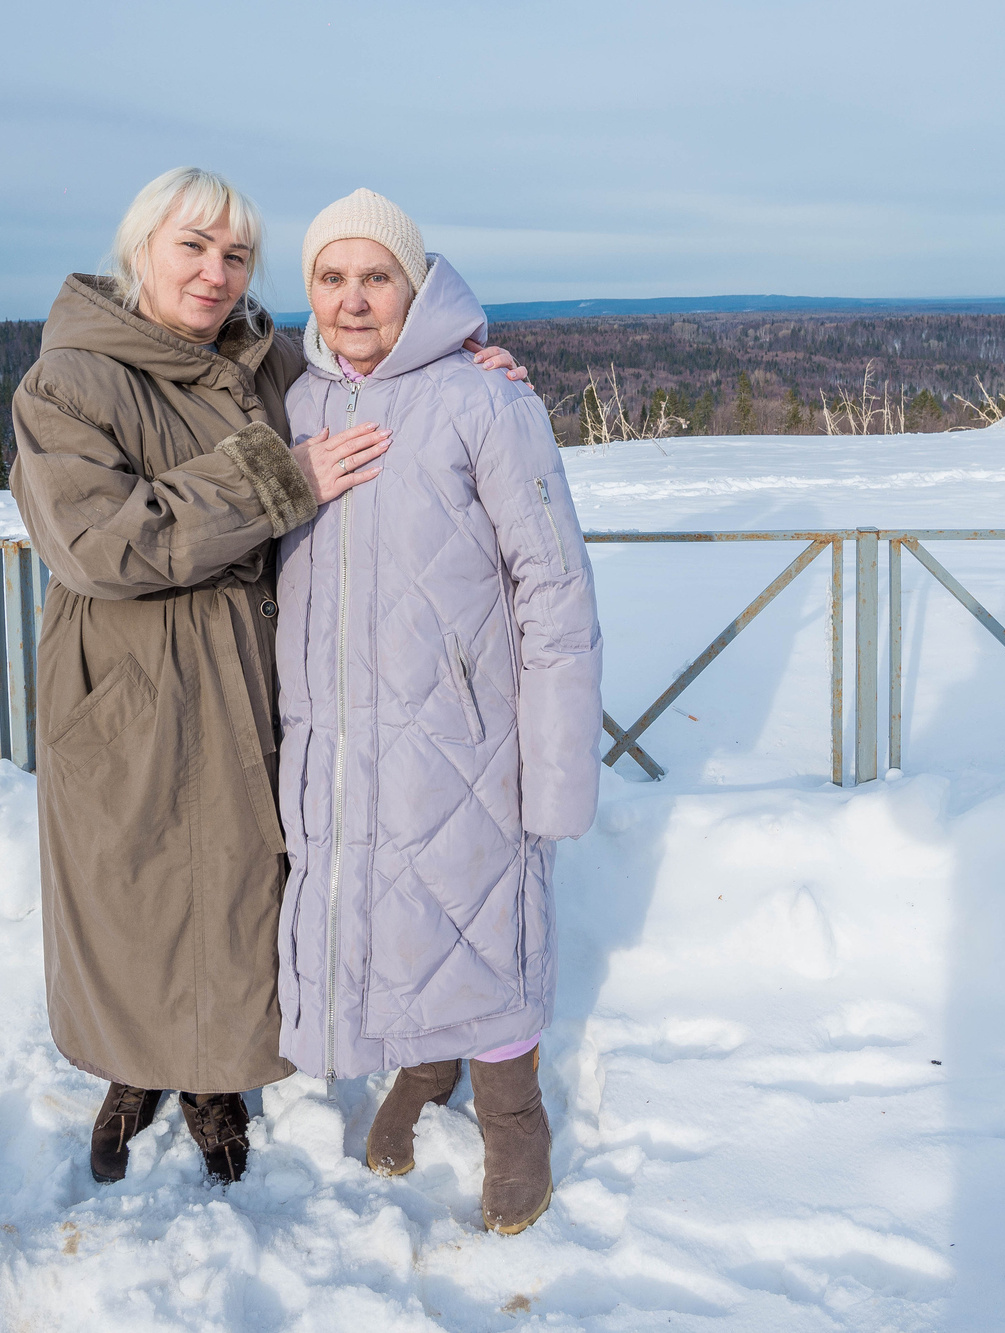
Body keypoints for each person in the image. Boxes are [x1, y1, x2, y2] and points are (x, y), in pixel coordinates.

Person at [9, 168, 525, 1187]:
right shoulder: (69, 380)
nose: (214, 272)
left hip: (246, 664)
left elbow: (371, 373)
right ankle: (132, 1062)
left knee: (240, 879)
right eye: (191, 246)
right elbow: (97, 542)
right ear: (140, 249)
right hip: (128, 676)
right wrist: (275, 480)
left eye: (236, 255)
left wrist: (465, 361)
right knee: (132, 882)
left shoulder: (263, 358)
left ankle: (210, 1073)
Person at [273, 188, 603, 1235]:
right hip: (332, 729)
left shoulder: (487, 401)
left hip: (465, 730)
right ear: (311, 293)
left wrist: (554, 767)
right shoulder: (297, 405)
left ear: (415, 286)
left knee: (481, 920)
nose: (354, 299)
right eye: (332, 277)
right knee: (383, 906)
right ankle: (422, 1061)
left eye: (377, 276)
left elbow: (552, 588)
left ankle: (515, 1118)